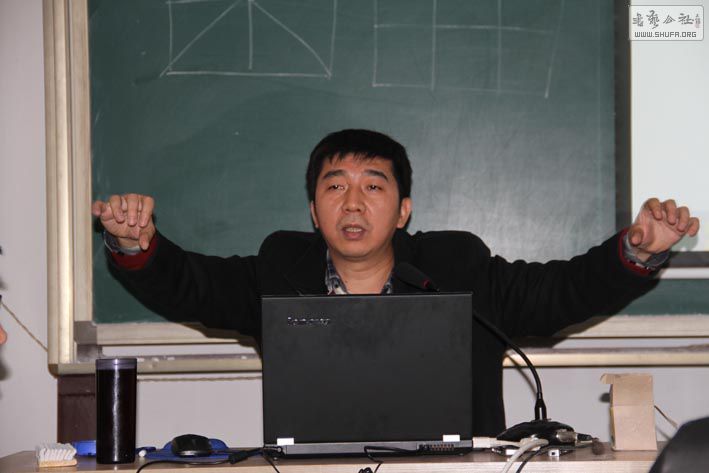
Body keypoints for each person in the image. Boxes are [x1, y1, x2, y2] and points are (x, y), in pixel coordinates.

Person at [92, 129, 699, 436]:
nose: (353, 203)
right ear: (314, 211)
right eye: (335, 186)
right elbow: (195, 285)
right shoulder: (281, 268)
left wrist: (635, 252)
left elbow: (559, 294)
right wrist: (133, 244)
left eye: (374, 187)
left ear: (403, 210)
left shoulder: (457, 265)